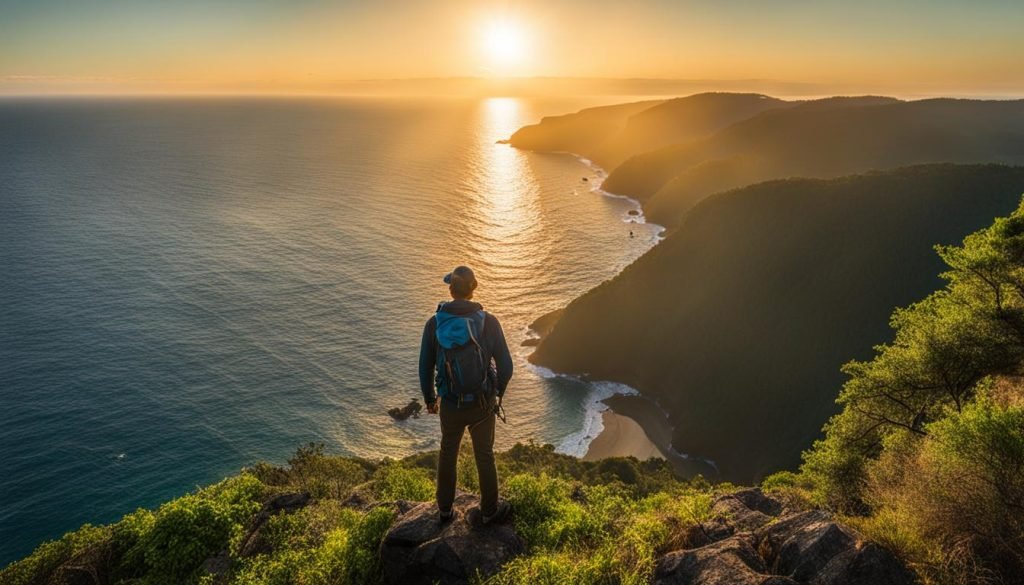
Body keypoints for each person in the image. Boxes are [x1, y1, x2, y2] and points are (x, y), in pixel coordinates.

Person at [418, 265, 513, 524]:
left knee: (448, 452)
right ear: (473, 290)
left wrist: (429, 399)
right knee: (484, 454)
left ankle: (445, 510)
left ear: (451, 289)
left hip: (450, 403)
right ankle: (489, 511)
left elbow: (425, 365)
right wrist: (497, 394)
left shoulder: (435, 323)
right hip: (482, 404)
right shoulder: (489, 322)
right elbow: (506, 366)